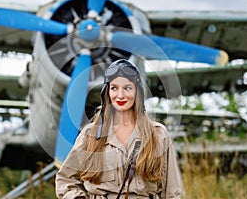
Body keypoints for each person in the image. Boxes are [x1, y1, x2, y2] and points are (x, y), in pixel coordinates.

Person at [56, 59, 182, 198]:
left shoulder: (158, 134)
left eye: (127, 88)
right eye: (114, 88)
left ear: (137, 92)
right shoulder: (90, 134)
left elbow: (172, 191)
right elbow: (65, 180)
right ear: (107, 92)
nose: (120, 95)